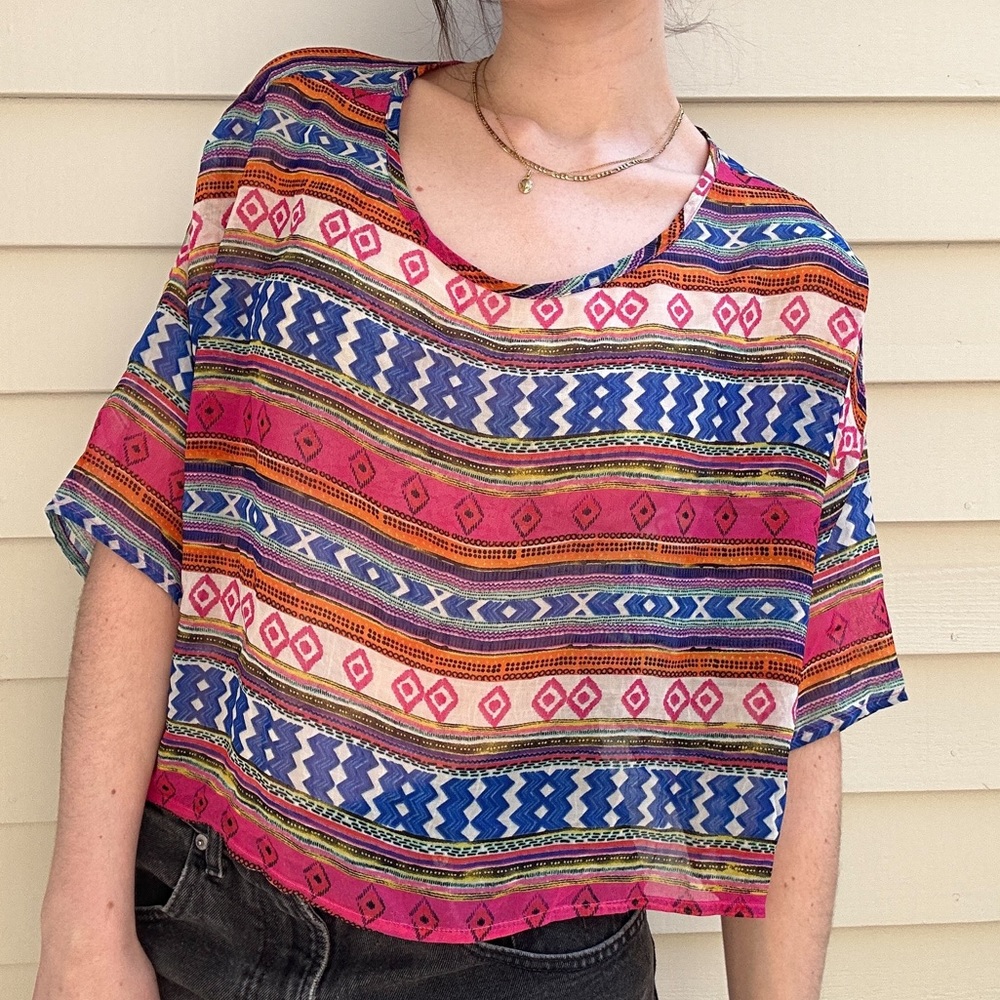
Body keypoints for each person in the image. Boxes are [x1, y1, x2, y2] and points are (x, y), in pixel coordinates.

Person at [32, 2, 908, 999]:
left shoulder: (777, 284)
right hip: (207, 915)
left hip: (538, 964)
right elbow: (145, 512)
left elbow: (793, 705)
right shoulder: (300, 139)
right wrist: (81, 932)